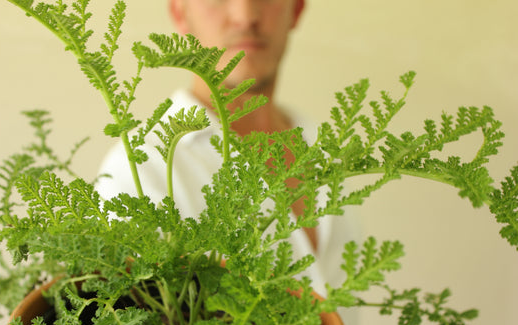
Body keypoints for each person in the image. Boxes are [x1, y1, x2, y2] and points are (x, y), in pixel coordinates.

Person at [97, 0, 360, 303]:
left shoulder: (323, 143)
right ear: (179, 12)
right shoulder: (138, 173)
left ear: (297, 8)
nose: (246, 15)